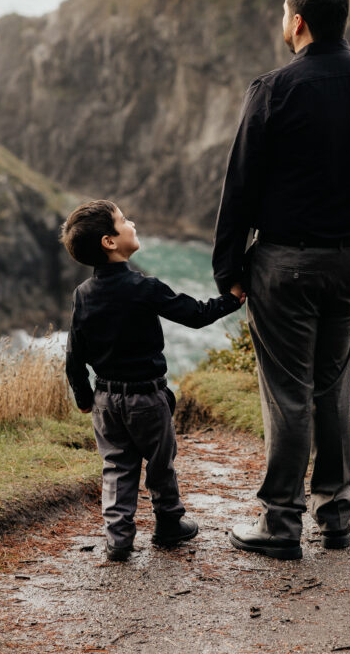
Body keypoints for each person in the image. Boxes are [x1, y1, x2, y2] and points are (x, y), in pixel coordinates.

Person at [213, 0, 350, 560]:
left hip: (286, 260)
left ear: (297, 20)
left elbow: (240, 183)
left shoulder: (275, 88)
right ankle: (337, 515)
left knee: (289, 392)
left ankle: (280, 523)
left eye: (282, 12)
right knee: (332, 384)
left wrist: (229, 266)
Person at [62, 199, 245, 562]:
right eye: (122, 220)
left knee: (116, 465)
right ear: (109, 242)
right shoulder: (144, 287)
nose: (131, 223)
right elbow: (195, 315)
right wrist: (232, 300)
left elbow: (74, 355)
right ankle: (169, 524)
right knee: (160, 462)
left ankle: (118, 538)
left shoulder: (82, 295)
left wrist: (84, 397)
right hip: (147, 396)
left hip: (105, 399)